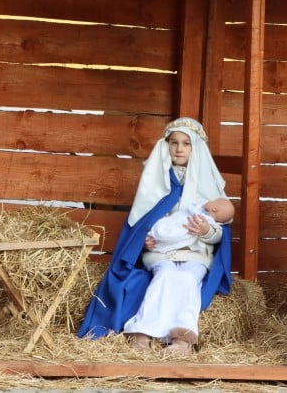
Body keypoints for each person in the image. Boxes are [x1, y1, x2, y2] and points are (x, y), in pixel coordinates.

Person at [77, 117, 233, 356]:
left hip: (196, 255)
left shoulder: (207, 185)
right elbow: (141, 222)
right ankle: (142, 335)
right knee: (166, 276)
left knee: (189, 280)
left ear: (196, 149)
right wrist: (143, 241)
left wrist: (207, 231)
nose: (179, 148)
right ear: (166, 145)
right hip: (161, 252)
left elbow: (220, 234)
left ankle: (182, 340)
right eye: (174, 142)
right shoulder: (155, 181)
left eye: (186, 144)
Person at [148, 197, 234, 254]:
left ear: (214, 209)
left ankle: (159, 236)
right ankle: (155, 235)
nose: (208, 201)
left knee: (174, 233)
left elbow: (219, 233)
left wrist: (206, 231)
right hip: (175, 222)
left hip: (189, 242)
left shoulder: (207, 221)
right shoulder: (200, 209)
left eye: (213, 201)